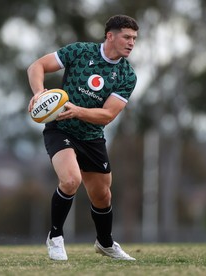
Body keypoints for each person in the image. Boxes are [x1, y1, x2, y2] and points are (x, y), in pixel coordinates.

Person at [27, 14, 139, 261]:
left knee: (102, 195)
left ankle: (105, 243)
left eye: (134, 39)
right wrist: (38, 93)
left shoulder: (126, 76)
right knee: (70, 180)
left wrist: (76, 111)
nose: (131, 42)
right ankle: (55, 237)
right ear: (110, 35)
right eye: (127, 37)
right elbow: (37, 66)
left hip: (91, 136)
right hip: (60, 130)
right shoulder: (80, 52)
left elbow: (108, 115)